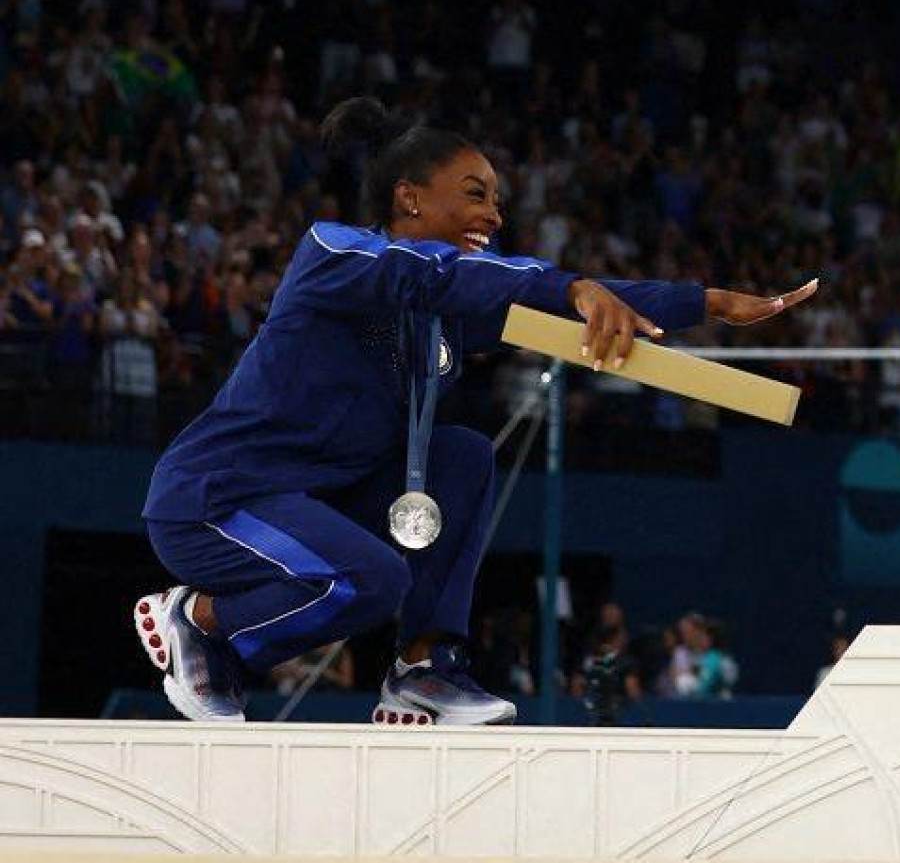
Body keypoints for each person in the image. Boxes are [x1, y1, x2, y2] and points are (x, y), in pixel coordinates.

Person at [131, 97, 812, 723]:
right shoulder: (333, 254)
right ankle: (203, 621)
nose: (494, 215)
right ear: (409, 197)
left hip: (320, 502)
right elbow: (446, 275)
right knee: (371, 576)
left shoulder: (444, 316)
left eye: (497, 201)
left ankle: (424, 665)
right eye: (476, 195)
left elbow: (540, 303)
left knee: (463, 455)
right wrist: (574, 285)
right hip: (216, 498)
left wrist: (708, 303)